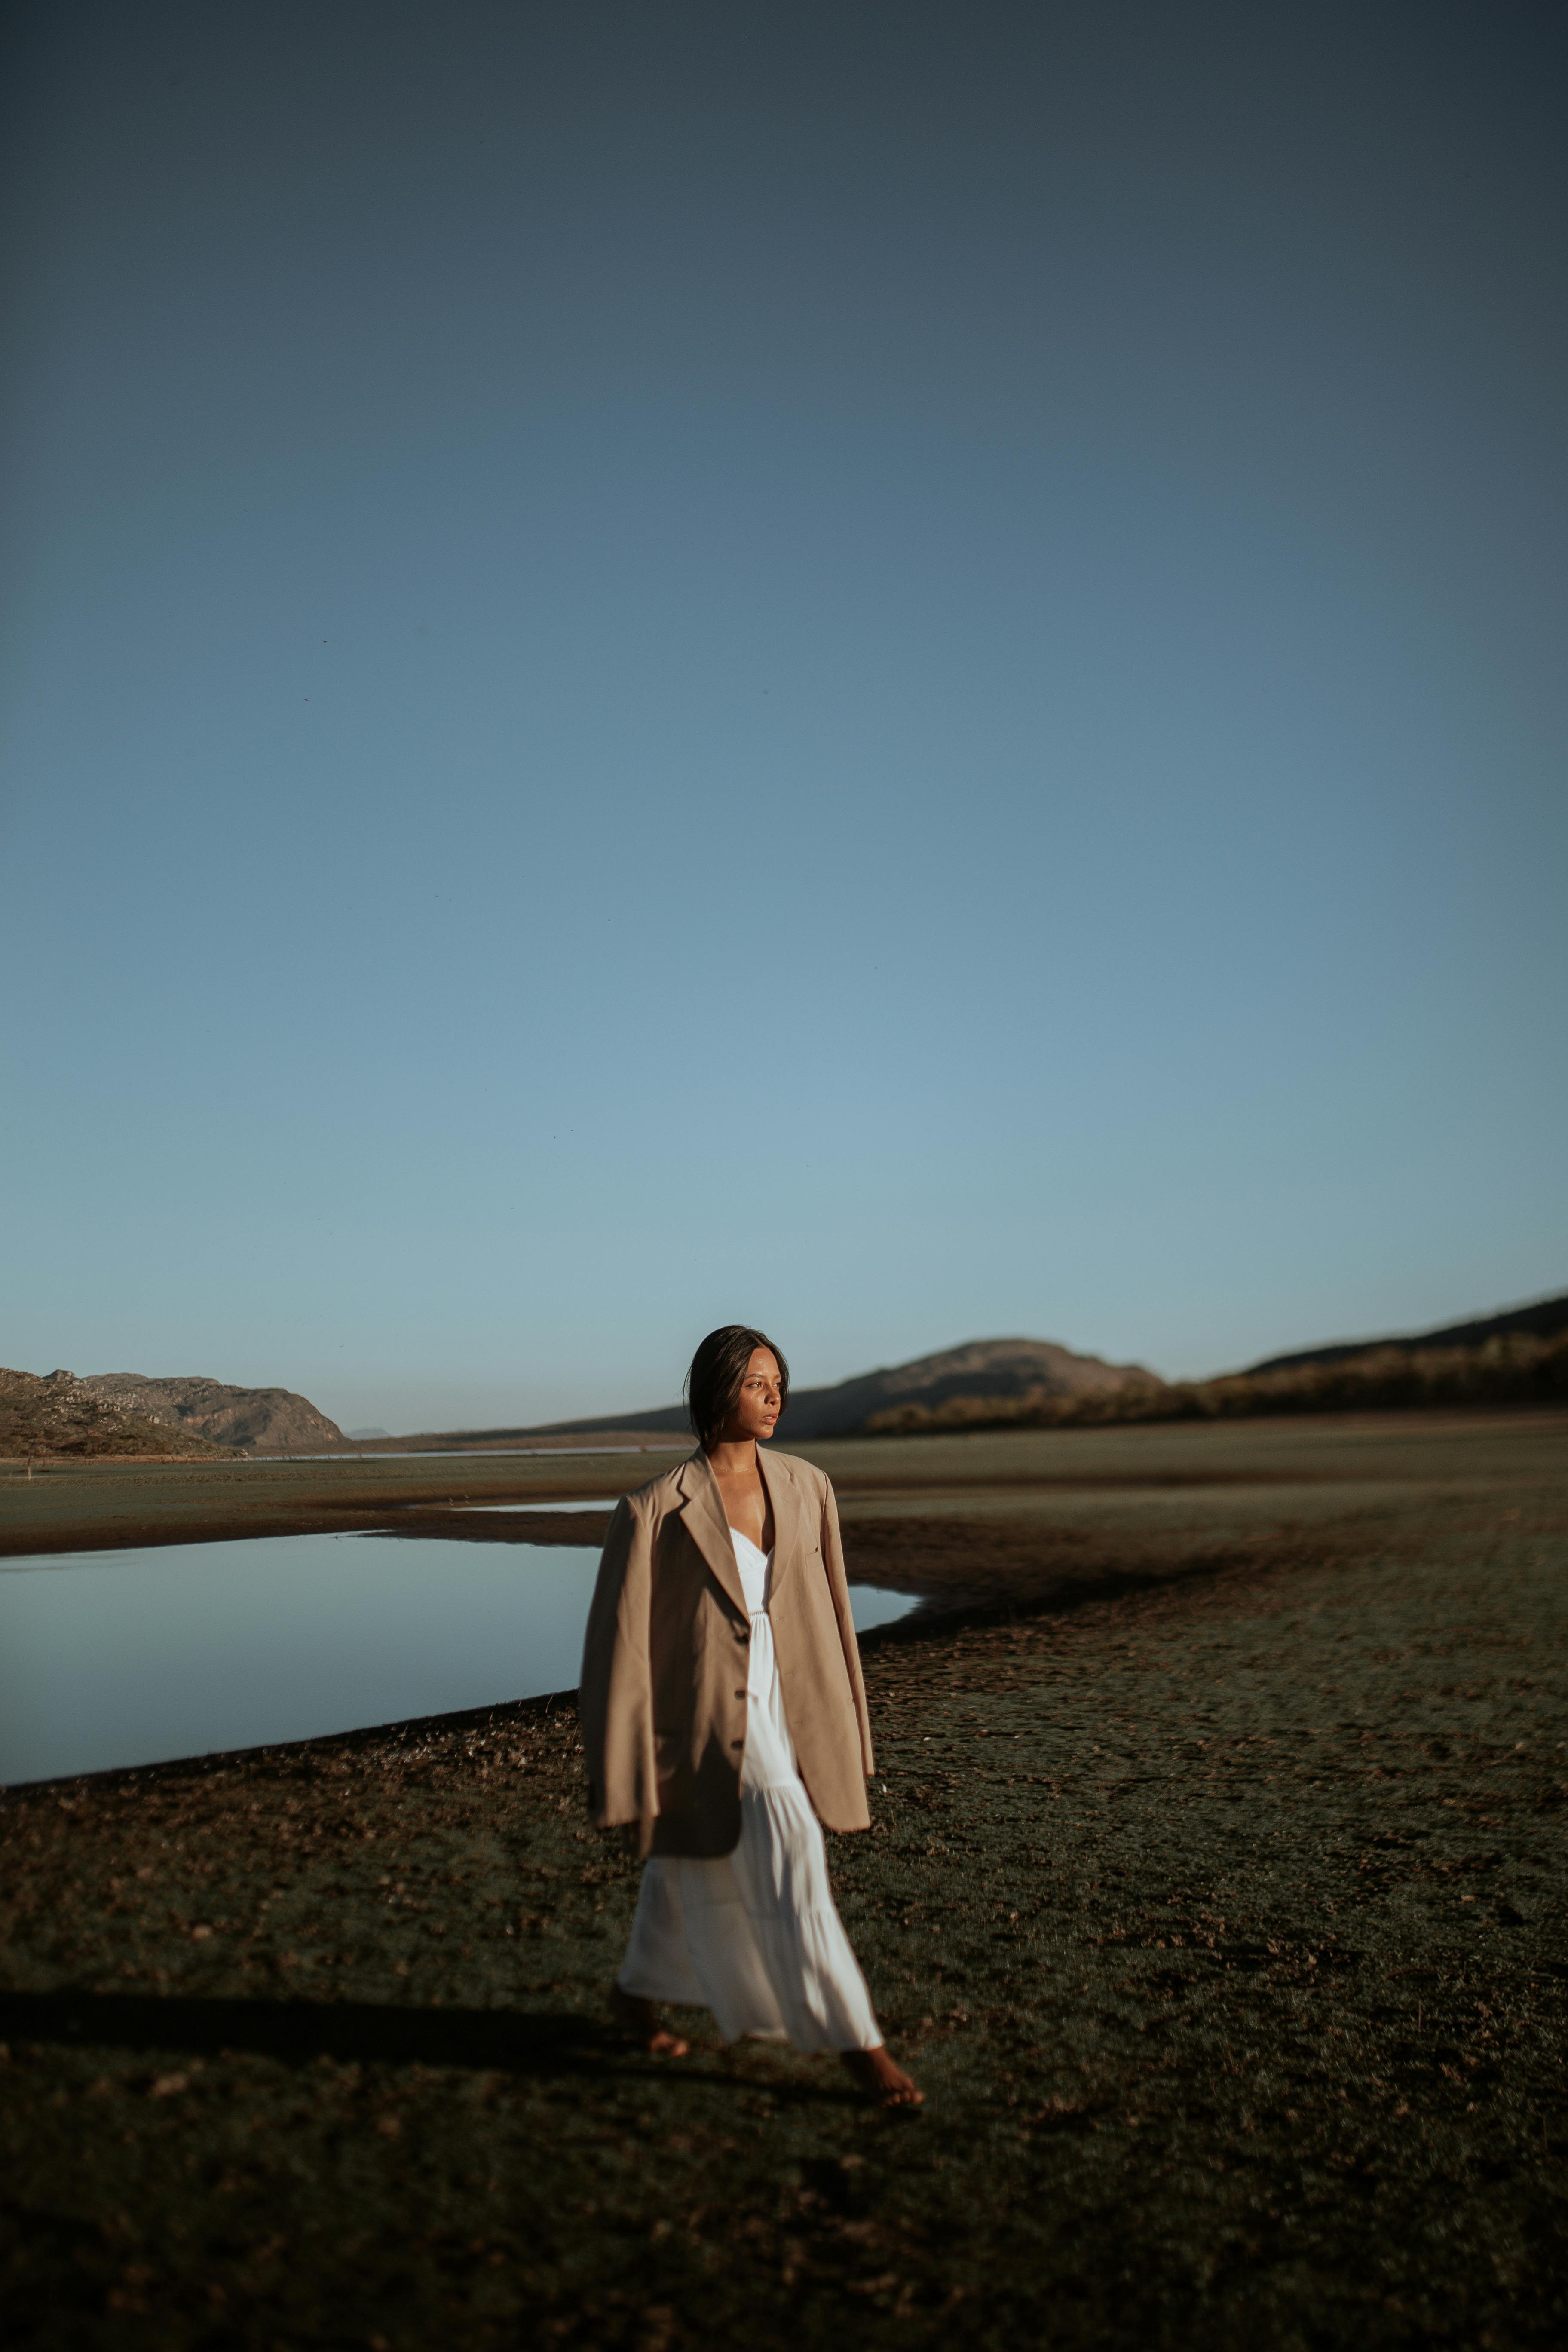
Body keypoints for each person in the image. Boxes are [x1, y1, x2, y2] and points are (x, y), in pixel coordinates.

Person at [579, 1325, 922, 2108]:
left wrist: (851, 1728)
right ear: (717, 1391)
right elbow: (619, 1647)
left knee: (688, 1855)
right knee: (788, 1842)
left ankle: (636, 1993)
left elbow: (835, 1614)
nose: (775, 1396)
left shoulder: (808, 1486)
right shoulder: (654, 1511)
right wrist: (620, 1767)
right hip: (707, 1716)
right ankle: (858, 2045)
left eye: (779, 1382)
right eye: (757, 1383)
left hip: (794, 1696)